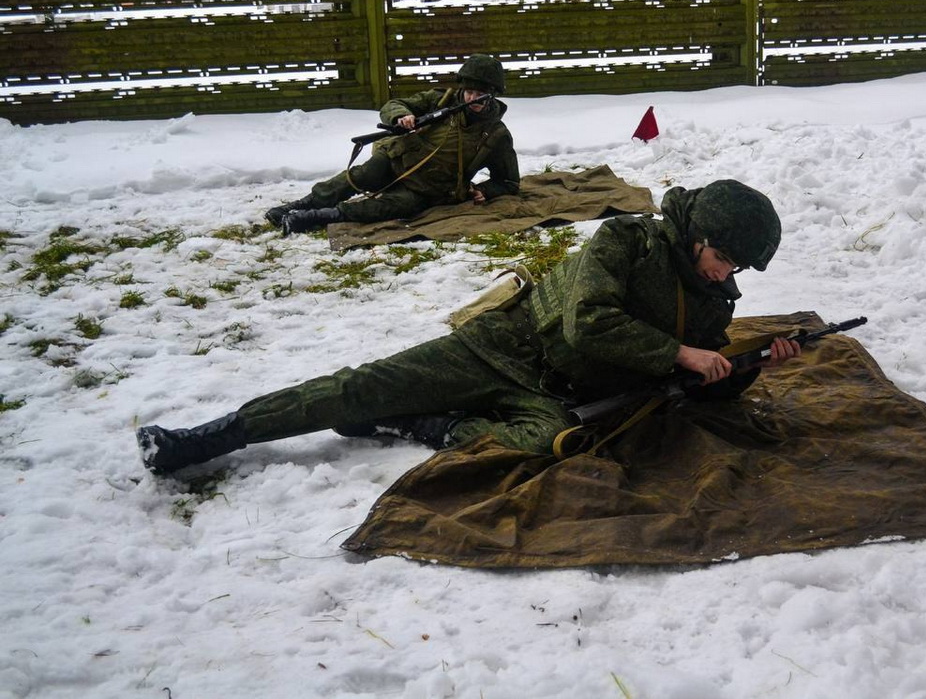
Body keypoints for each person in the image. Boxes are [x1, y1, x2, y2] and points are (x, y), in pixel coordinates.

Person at [137, 180, 800, 474]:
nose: (726, 274)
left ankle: (434, 427)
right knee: (361, 387)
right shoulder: (626, 241)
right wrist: (681, 352)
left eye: (738, 266)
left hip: (552, 396)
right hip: (502, 346)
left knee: (556, 445)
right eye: (724, 258)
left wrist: (744, 368)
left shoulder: (714, 301)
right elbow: (590, 323)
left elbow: (698, 383)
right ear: (696, 238)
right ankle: (210, 438)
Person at [265, 54, 520, 236]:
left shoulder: (497, 134)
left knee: (391, 207)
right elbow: (392, 105)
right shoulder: (440, 100)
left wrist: (487, 190)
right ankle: (303, 204)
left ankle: (315, 218)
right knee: (362, 175)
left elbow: (509, 181)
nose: (473, 99)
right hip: (397, 161)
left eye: (480, 94)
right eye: (469, 92)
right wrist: (402, 117)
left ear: (492, 94)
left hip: (429, 189)